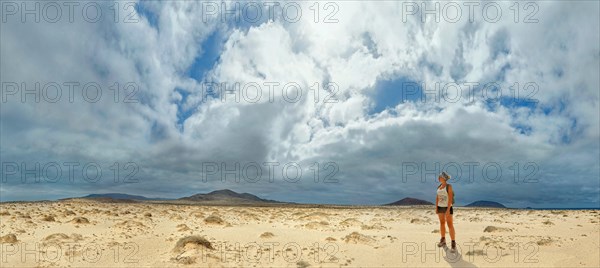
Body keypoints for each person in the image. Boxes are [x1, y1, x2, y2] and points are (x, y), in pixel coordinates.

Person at [436, 171, 456, 252]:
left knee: (450, 225)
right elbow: (437, 197)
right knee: (442, 223)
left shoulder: (449, 186)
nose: (438, 178)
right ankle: (443, 240)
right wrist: (436, 207)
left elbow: (450, 198)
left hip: (447, 207)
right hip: (440, 207)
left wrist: (448, 209)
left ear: (443, 178)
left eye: (440, 177)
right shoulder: (439, 186)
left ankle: (453, 243)